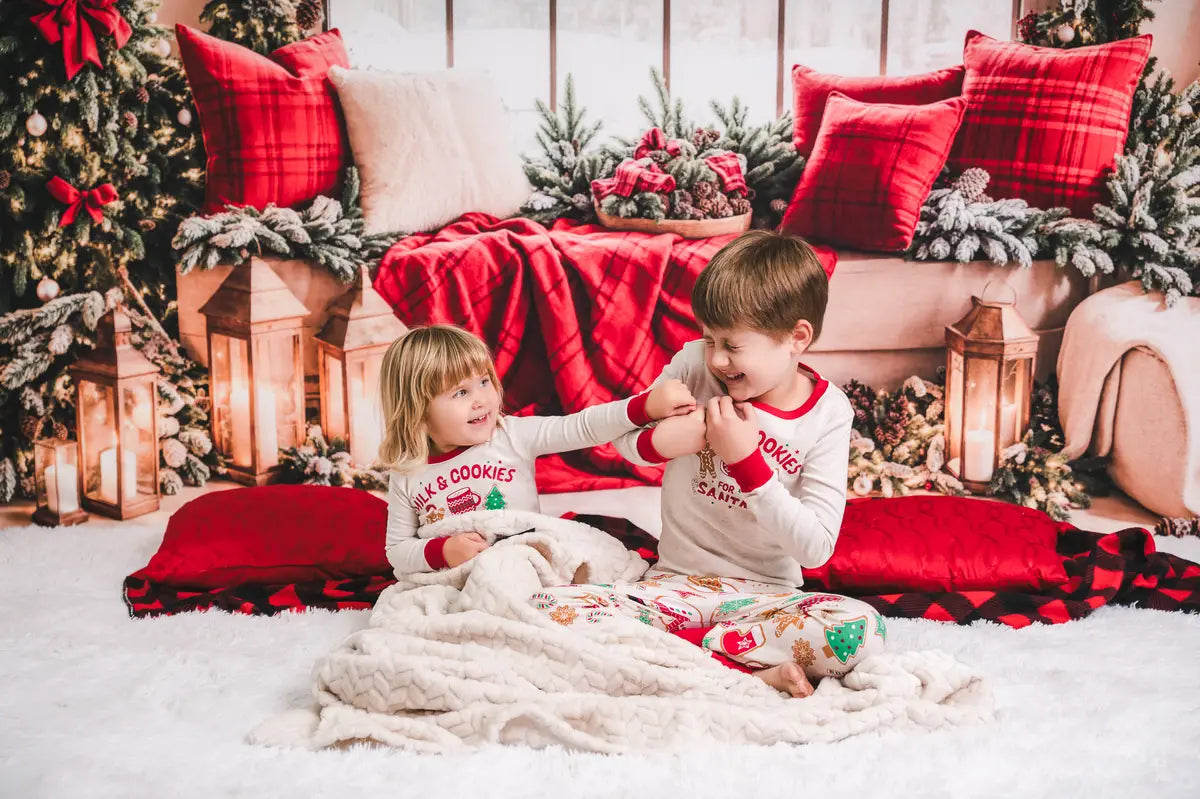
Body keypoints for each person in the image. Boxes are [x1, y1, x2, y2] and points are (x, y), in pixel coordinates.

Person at [529, 231, 887, 698]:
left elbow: (816, 548)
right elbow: (624, 441)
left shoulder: (828, 414)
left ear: (797, 338)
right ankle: (736, 667)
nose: (717, 358)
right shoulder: (695, 364)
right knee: (543, 609)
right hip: (672, 586)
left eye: (733, 346)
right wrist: (661, 441)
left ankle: (681, 659)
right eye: (709, 338)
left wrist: (746, 462)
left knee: (861, 631)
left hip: (766, 600)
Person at [377, 324, 696, 575]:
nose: (481, 399)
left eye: (485, 381)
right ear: (417, 409)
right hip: (459, 577)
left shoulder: (511, 435)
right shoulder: (408, 473)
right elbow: (398, 551)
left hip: (526, 564)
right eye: (460, 392)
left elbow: (582, 426)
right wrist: (442, 552)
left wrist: (643, 407)